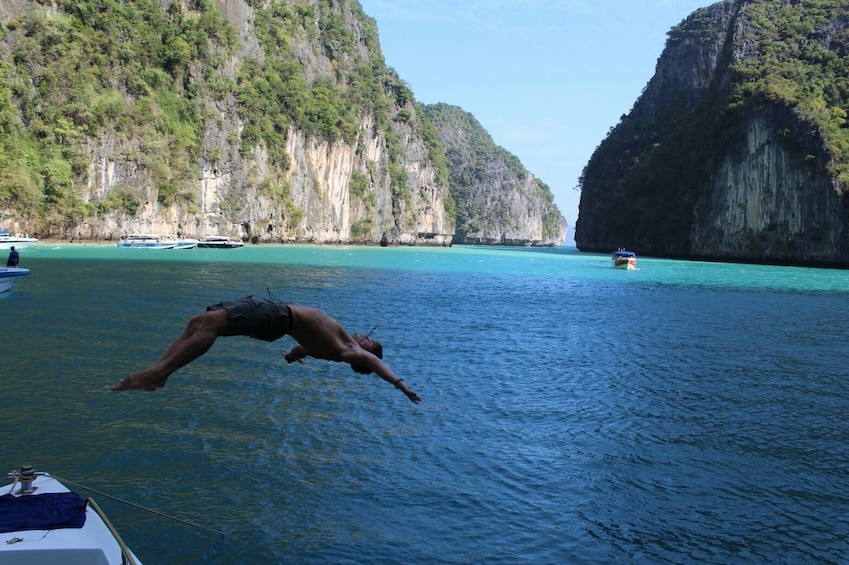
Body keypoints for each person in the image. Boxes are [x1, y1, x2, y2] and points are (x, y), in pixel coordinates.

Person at [110, 295, 421, 403]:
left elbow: (376, 364)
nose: (365, 337)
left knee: (214, 324)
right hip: (278, 314)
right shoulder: (335, 348)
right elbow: (304, 349)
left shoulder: (351, 352)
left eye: (370, 341)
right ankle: (160, 370)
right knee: (200, 320)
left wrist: (400, 385)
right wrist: (290, 357)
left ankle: (160, 373)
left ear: (366, 354)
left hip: (279, 316)